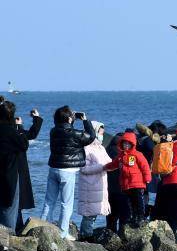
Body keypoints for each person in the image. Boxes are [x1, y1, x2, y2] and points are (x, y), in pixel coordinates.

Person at [41, 105, 95, 240]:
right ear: (70, 119)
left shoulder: (53, 131)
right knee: (66, 203)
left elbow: (64, 128)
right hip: (68, 171)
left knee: (49, 201)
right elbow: (91, 137)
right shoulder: (75, 133)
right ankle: (62, 233)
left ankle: (42, 228)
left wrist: (70, 119)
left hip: (53, 168)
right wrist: (85, 120)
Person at [0, 101, 42, 230]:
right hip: (9, 172)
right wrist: (19, 127)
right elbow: (24, 143)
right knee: (10, 205)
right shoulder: (11, 131)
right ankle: (8, 236)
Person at [104, 131, 151, 229]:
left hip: (137, 184)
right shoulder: (121, 156)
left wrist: (147, 178)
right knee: (130, 203)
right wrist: (105, 167)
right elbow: (114, 164)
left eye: (128, 144)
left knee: (138, 202)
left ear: (132, 144)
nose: (126, 145)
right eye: (124, 143)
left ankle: (141, 217)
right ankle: (134, 218)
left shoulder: (137, 154)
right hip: (126, 185)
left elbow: (145, 166)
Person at [77, 121, 111, 237]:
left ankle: (87, 235)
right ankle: (86, 236)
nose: (102, 135)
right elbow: (84, 169)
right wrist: (103, 167)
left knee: (94, 213)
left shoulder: (101, 148)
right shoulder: (86, 148)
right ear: (94, 132)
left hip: (99, 185)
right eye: (100, 132)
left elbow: (109, 162)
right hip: (89, 186)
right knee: (89, 214)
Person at [105, 132, 127, 232]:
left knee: (111, 215)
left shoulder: (106, 150)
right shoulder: (122, 154)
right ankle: (122, 234)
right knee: (123, 213)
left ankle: (110, 233)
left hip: (109, 188)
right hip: (121, 188)